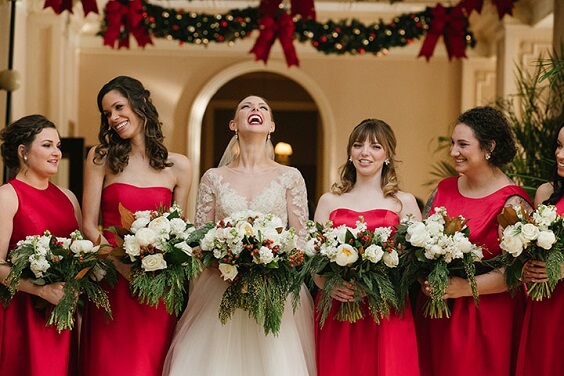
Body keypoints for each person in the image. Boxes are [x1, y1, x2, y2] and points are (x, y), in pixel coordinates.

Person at [163, 95, 316, 375]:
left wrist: (270, 260)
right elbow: (200, 240)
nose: (254, 109)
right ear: (234, 123)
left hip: (274, 293)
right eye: (246, 106)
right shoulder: (213, 177)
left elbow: (301, 240)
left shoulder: (290, 177)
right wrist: (225, 258)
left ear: (271, 125)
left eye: (262, 108)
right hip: (219, 289)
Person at [79, 76, 192, 375]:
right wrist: (122, 267)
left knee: (153, 362)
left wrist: (156, 275)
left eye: (118, 107)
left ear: (140, 103)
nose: (113, 118)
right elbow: (89, 225)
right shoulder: (100, 157)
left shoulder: (178, 166)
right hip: (113, 282)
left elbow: (180, 231)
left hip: (158, 288)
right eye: (107, 114)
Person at [415, 106, 531, 376]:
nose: (454, 151)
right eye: (454, 143)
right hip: (436, 312)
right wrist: (426, 280)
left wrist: (463, 288)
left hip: (486, 318)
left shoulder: (512, 202)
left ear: (489, 146)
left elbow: (517, 273)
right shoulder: (442, 189)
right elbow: (417, 249)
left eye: (463, 144)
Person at [313, 118, 421, 376]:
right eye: (358, 145)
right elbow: (312, 261)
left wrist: (376, 286)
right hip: (338, 308)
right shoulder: (329, 201)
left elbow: (414, 264)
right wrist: (328, 284)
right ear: (350, 153)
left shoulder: (403, 202)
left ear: (387, 154)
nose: (365, 153)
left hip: (386, 311)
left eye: (375, 146)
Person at [0, 115, 81, 376]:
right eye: (47, 145)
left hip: (61, 315)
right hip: (21, 315)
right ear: (22, 151)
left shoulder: (68, 198)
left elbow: (82, 255)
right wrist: (41, 290)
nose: (56, 152)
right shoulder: (7, 196)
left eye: (57, 145)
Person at [516, 124, 564, 375]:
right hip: (546, 301)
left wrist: (560, 268)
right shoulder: (547, 192)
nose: (560, 155)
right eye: (558, 145)